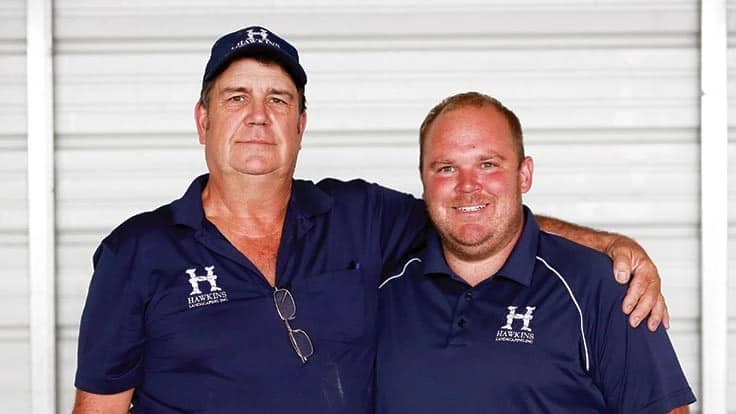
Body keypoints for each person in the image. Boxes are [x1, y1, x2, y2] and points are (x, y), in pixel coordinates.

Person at [73, 26, 667, 413]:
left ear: (301, 125)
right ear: (203, 121)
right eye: (236, 98)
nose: (258, 116)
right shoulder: (136, 253)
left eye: (278, 100)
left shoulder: (358, 215)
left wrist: (609, 245)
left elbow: (470, 212)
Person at [376, 92, 695, 413]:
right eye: (446, 168)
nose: (468, 185)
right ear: (423, 180)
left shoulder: (599, 287)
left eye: (488, 165)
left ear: (524, 175)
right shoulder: (381, 286)